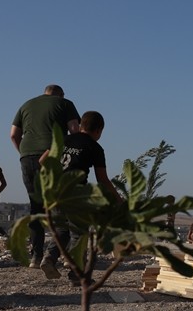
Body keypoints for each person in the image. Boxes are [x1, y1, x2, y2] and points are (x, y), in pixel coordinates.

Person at [38, 110, 121, 280]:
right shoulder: (95, 147)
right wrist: (118, 199)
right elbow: (102, 179)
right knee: (79, 233)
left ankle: (49, 258)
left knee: (61, 230)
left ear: (81, 125)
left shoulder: (64, 140)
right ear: (99, 130)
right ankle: (77, 274)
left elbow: (42, 161)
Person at [10, 84, 80, 264]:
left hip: (27, 156)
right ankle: (58, 254)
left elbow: (13, 135)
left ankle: (35, 255)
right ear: (60, 94)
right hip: (51, 154)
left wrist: (24, 153)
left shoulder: (26, 105)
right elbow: (74, 131)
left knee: (36, 206)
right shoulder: (65, 103)